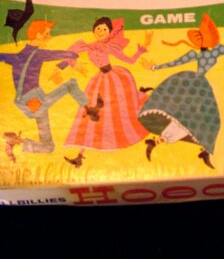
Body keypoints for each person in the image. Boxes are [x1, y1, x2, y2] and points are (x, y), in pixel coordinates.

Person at [0, 20, 101, 161]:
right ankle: (89, 109)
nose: (49, 37)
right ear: (38, 35)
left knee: (48, 147)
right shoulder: (38, 54)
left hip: (30, 101)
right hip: (33, 101)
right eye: (46, 34)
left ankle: (16, 141)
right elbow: (71, 54)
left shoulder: (17, 56)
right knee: (70, 85)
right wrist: (83, 50)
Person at [139, 14, 224, 169]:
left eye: (202, 35)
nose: (199, 38)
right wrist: (154, 67)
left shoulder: (218, 49)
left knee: (199, 119)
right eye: (198, 36)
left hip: (200, 86)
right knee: (184, 116)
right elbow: (176, 62)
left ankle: (161, 142)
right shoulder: (195, 54)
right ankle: (162, 141)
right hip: (191, 84)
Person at [55, 17, 152, 166]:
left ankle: (138, 120)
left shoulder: (110, 47)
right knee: (91, 113)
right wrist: (63, 67)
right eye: (98, 29)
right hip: (99, 81)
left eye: (105, 29)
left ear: (110, 33)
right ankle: (80, 155)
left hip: (116, 80)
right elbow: (70, 54)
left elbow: (130, 61)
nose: (101, 32)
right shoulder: (87, 46)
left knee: (118, 112)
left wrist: (141, 49)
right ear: (93, 31)